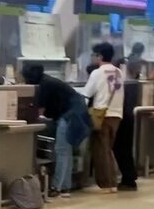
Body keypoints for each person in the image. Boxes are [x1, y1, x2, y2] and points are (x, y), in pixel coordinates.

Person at [21, 64, 90, 198]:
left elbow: (39, 112)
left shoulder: (44, 85)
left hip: (71, 115)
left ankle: (56, 187)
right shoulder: (46, 81)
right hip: (77, 111)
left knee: (61, 150)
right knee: (66, 150)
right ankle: (65, 187)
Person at [80, 42, 124, 193]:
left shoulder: (97, 73)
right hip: (116, 115)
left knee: (100, 149)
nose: (93, 58)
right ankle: (112, 182)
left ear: (99, 56)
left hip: (101, 114)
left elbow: (86, 94)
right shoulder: (119, 72)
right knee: (107, 149)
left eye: (94, 55)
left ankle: (107, 184)